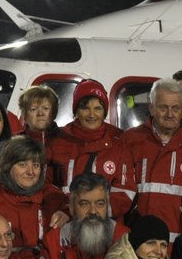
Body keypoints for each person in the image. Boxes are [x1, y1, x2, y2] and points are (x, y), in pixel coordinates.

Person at [112, 77, 182, 238]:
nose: (170, 114)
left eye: (175, 108)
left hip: (180, 239)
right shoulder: (131, 140)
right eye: (163, 108)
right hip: (139, 238)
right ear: (152, 109)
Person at [47, 80, 128, 213]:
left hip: (105, 225)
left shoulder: (119, 141)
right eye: (85, 108)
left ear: (105, 112)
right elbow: (46, 184)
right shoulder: (58, 140)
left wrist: (95, 213)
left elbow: (125, 191)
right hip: (64, 221)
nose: (92, 115)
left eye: (97, 108)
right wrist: (67, 211)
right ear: (76, 110)